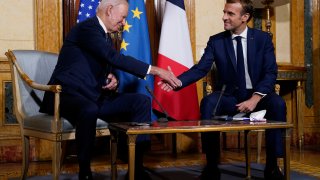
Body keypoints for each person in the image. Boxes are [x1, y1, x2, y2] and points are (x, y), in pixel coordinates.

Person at [39, 0, 180, 179]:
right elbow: (111, 56)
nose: (123, 23)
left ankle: (136, 167)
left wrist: (113, 77)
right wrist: (155, 70)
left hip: (94, 96)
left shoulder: (105, 35)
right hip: (65, 95)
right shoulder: (87, 28)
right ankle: (85, 173)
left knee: (141, 101)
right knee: (88, 109)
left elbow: (102, 63)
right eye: (122, 18)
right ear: (110, 10)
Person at [159, 0, 286, 179]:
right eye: (224, 12)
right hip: (230, 97)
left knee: (278, 104)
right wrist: (177, 81)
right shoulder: (216, 41)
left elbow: (270, 73)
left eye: (230, 14)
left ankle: (272, 166)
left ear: (245, 17)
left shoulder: (262, 39)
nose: (224, 17)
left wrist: (255, 98)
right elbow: (200, 69)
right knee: (208, 103)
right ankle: (211, 166)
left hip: (257, 97)